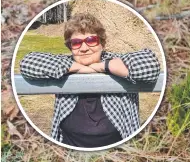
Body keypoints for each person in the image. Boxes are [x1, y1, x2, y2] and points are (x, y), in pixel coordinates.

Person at [20, 13, 161, 148]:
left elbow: (150, 64)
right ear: (70, 47)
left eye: (91, 40)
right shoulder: (65, 63)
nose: (84, 48)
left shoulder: (117, 60)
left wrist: (103, 66)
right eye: (76, 43)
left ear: (102, 43)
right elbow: (27, 63)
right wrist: (79, 68)